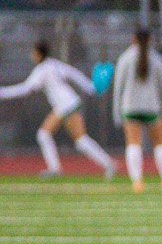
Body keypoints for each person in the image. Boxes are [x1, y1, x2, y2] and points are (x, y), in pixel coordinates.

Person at [1, 42, 115, 179]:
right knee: (47, 135)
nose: (32, 55)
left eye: (33, 52)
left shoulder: (42, 70)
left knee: (77, 140)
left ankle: (108, 165)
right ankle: (56, 169)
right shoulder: (54, 64)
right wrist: (90, 87)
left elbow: (26, 89)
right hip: (67, 104)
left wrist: (3, 93)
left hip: (66, 106)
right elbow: (74, 74)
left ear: (38, 54)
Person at [111, 29, 162, 192]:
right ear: (150, 40)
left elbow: (118, 88)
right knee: (160, 145)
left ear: (133, 39)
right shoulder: (157, 59)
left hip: (130, 107)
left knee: (133, 144)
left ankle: (137, 182)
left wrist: (117, 112)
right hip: (152, 107)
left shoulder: (124, 58)